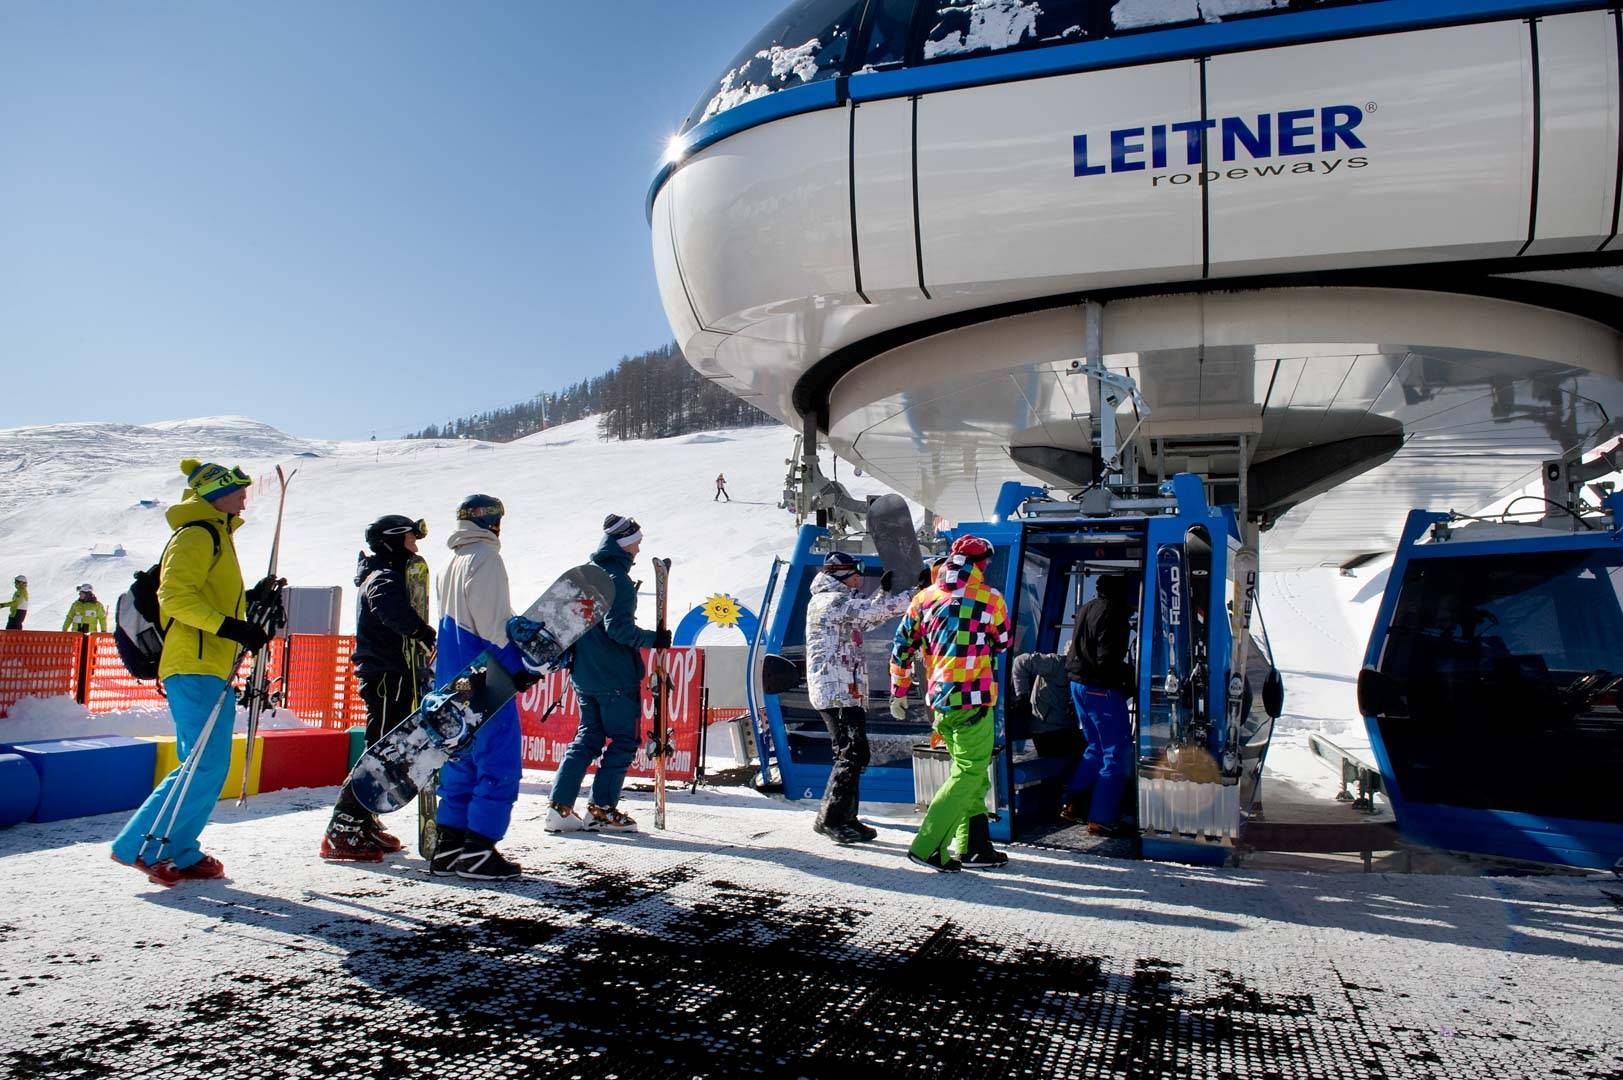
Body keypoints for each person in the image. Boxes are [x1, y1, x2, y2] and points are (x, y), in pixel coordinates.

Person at [110, 459, 280, 886]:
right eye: (238, 489)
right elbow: (175, 598)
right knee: (201, 763)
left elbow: (207, 599)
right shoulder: (196, 534)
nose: (245, 496)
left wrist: (250, 604)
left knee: (208, 764)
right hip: (192, 664)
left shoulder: (217, 536)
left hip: (212, 665)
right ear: (214, 494)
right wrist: (231, 625)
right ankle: (141, 847)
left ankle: (180, 849)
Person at [427, 494, 541, 881]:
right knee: (498, 763)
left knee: (461, 762)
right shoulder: (487, 559)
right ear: (492, 522)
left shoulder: (451, 561)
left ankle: (449, 848)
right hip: (487, 678)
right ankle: (478, 851)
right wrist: (519, 666)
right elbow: (492, 625)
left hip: (453, 679)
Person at [890, 535, 1011, 871]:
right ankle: (927, 845)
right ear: (982, 563)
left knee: (968, 774)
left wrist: (898, 691)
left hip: (940, 700)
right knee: (970, 773)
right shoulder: (990, 599)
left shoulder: (924, 598)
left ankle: (974, 847)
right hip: (974, 699)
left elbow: (901, 647)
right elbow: (1003, 642)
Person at [320, 514, 436, 862]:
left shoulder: (384, 572)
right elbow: (390, 610)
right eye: (411, 539)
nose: (415, 547)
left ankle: (362, 819)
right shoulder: (382, 576)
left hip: (393, 673)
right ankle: (343, 827)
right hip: (386, 676)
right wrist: (420, 631)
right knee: (383, 750)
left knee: (387, 747)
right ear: (394, 540)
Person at [545, 514, 671, 834]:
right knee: (625, 740)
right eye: (636, 543)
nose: (638, 550)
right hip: (614, 676)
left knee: (587, 738)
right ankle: (602, 808)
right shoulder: (618, 580)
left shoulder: (586, 576)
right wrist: (653, 639)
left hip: (584, 675)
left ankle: (560, 808)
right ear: (624, 543)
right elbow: (618, 630)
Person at [804, 552, 909, 844]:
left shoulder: (839, 602)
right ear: (839, 574)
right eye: (854, 572)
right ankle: (831, 819)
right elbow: (869, 613)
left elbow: (868, 619)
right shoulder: (830, 601)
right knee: (853, 751)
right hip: (835, 690)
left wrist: (885, 593)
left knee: (851, 753)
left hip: (845, 689)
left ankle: (845, 817)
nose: (859, 577)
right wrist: (916, 593)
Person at [1062, 575, 1137, 835]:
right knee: (1116, 752)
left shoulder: (1088, 607)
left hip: (1078, 685)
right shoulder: (1115, 614)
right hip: (1101, 689)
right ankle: (1102, 817)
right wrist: (1130, 679)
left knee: (1095, 746)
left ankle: (1072, 803)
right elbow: (1108, 659)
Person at [1009, 651, 1084, 763]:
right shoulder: (1056, 664)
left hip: (1067, 728)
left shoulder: (1086, 674)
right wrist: (1022, 696)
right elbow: (1020, 662)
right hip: (1046, 730)